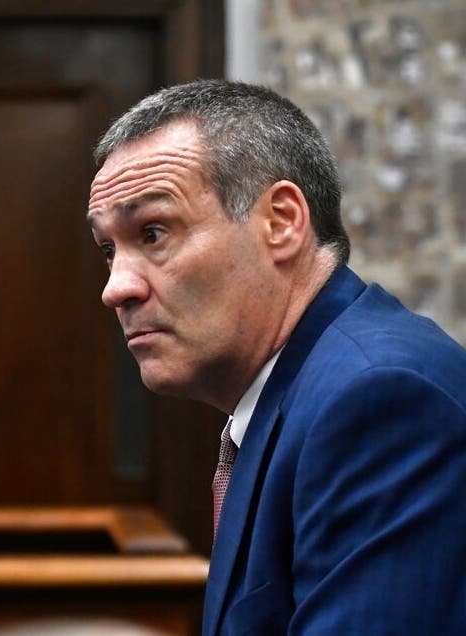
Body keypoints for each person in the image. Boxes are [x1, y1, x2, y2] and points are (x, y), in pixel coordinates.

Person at [87, 79, 466, 635]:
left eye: (154, 232)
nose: (116, 287)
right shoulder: (307, 387)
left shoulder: (379, 400)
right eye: (107, 249)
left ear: (282, 221)